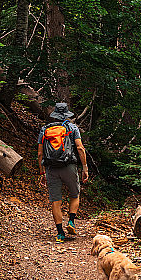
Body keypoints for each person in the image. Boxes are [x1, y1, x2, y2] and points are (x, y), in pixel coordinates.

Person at [38, 103, 89, 242]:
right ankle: (71, 221)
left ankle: (60, 233)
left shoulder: (44, 129)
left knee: (56, 201)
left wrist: (42, 173)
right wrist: (84, 167)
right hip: (69, 166)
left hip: (51, 168)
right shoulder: (72, 128)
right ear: (67, 114)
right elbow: (80, 148)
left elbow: (40, 154)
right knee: (75, 194)